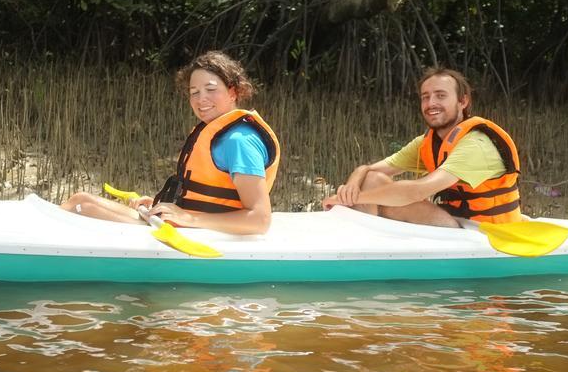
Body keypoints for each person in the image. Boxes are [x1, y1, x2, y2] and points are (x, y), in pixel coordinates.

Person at [60, 51, 280, 235]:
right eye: (194, 92)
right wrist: (162, 203)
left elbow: (259, 220)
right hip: (184, 224)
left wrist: (188, 218)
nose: (200, 98)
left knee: (82, 208)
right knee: (80, 199)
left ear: (233, 92)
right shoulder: (216, 132)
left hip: (201, 233)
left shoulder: (239, 142)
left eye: (210, 89)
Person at [321, 67, 523, 228]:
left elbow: (417, 191)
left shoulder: (476, 145)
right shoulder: (429, 142)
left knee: (384, 199)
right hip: (458, 224)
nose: (431, 103)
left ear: (463, 101)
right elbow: (370, 169)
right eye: (425, 97)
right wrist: (352, 185)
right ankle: (364, 242)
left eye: (440, 95)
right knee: (372, 179)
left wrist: (348, 199)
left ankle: (363, 248)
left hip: (486, 234)